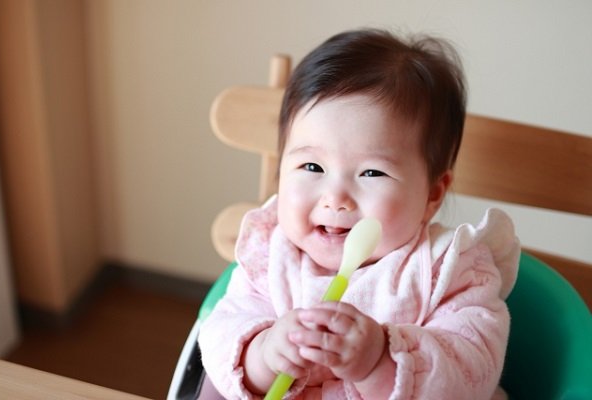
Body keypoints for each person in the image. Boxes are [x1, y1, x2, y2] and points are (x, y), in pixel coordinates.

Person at [199, 28, 520, 399]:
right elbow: (222, 336)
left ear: (432, 194)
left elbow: (471, 371)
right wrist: (265, 353)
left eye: (372, 173)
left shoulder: (449, 270)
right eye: (312, 167)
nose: (335, 199)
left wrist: (379, 361)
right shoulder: (269, 256)